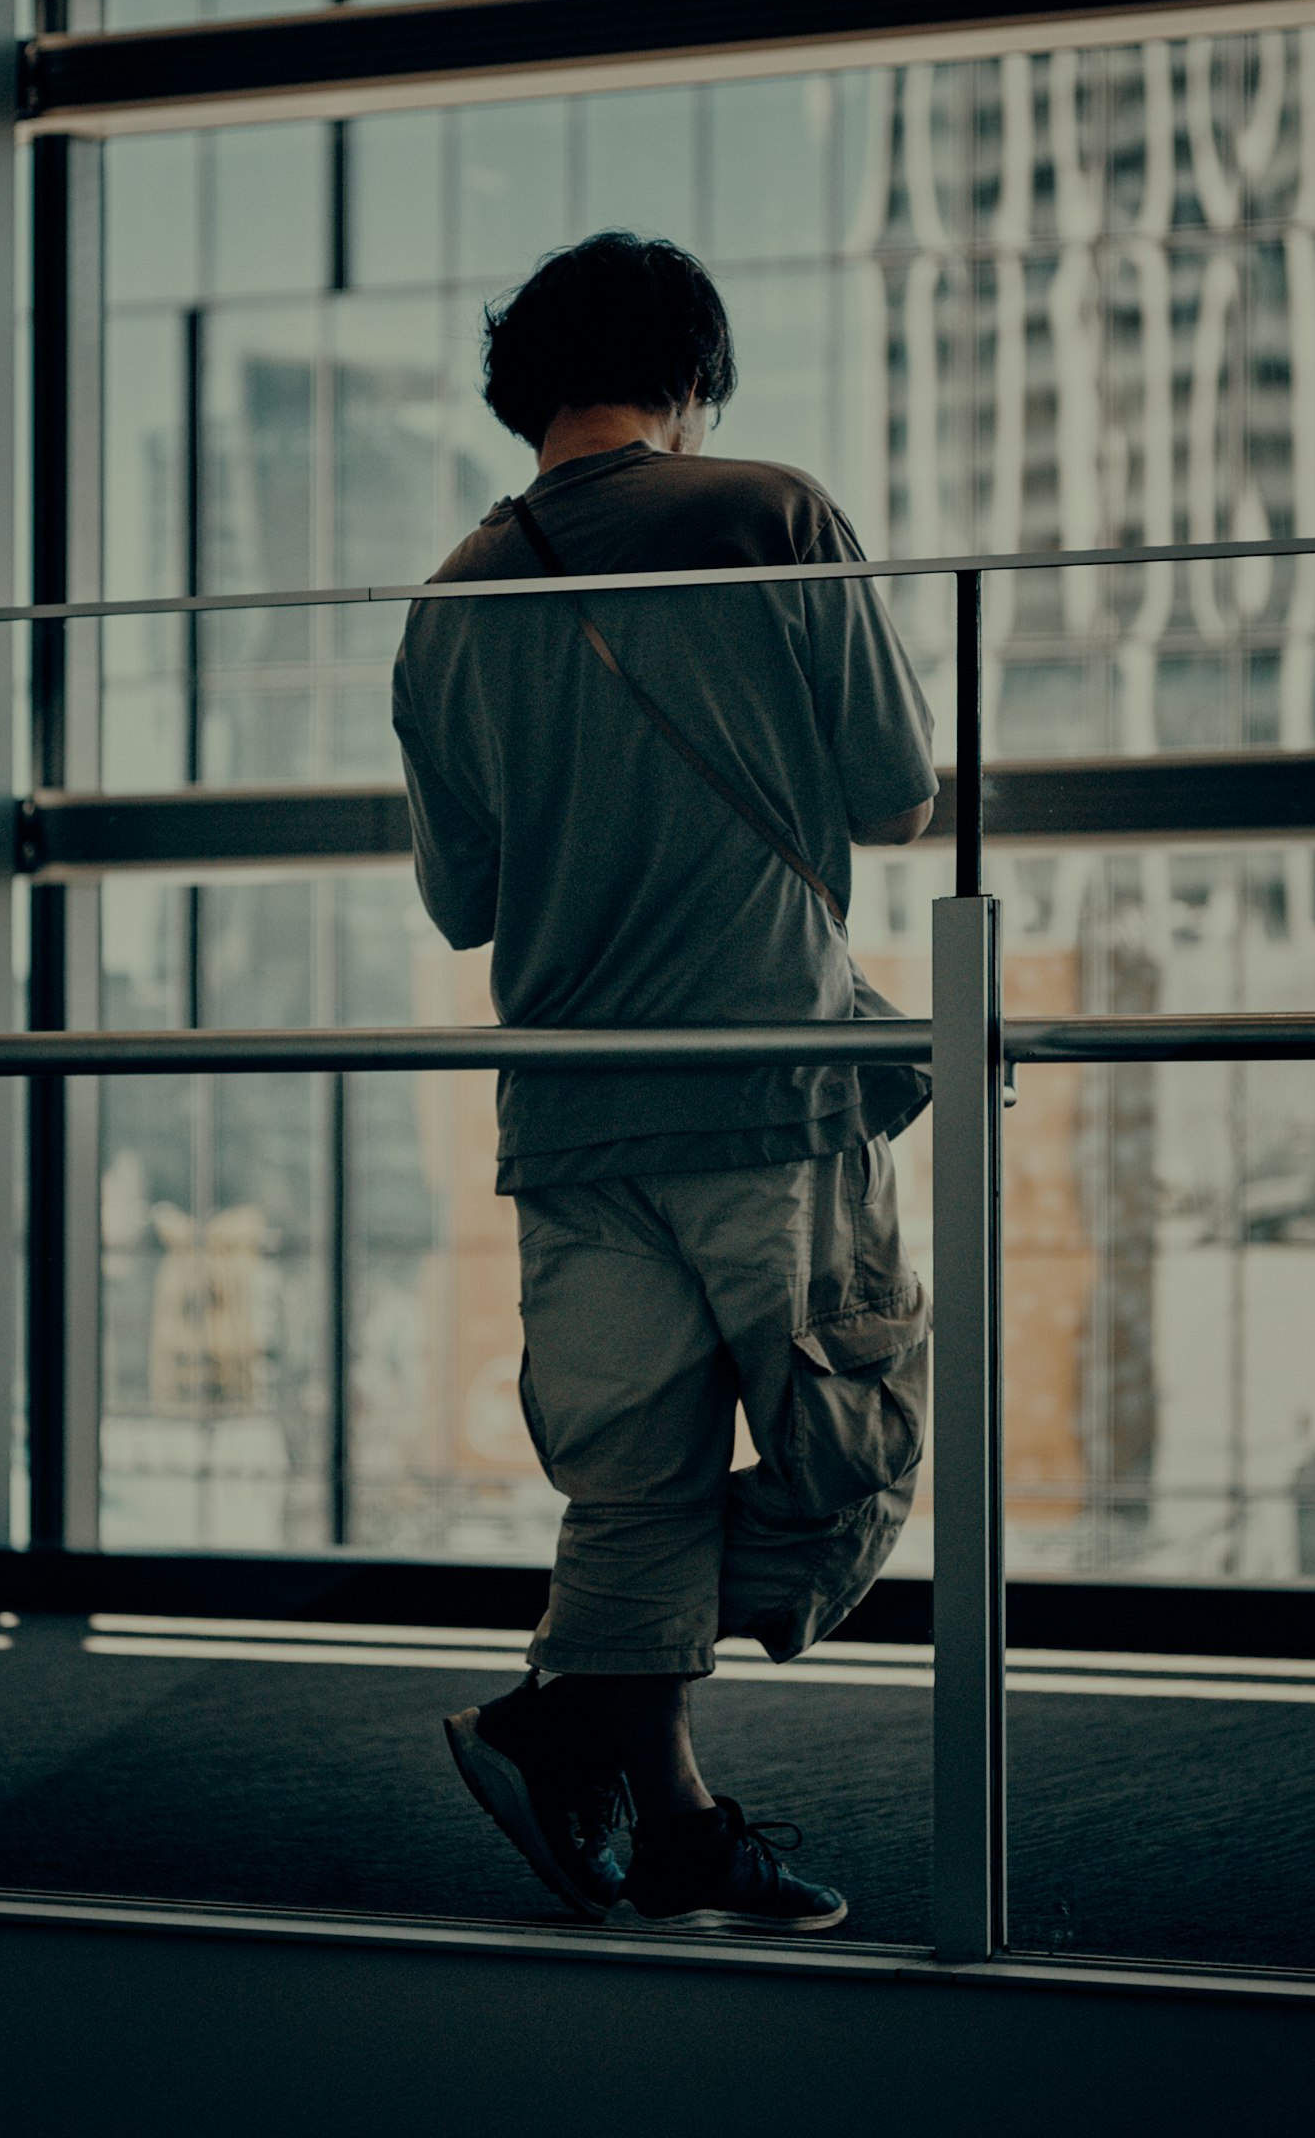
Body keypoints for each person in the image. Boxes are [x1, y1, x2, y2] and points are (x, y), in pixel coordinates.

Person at [392, 233, 939, 1934]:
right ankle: (575, 1724)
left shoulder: (451, 599)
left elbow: (461, 901)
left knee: (627, 1485)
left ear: (524, 391)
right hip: (760, 1083)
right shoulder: (767, 513)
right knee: (852, 1440)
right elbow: (897, 794)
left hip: (566, 1109)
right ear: (693, 379)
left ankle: (660, 1806)